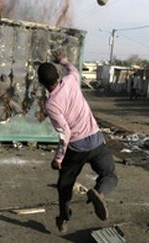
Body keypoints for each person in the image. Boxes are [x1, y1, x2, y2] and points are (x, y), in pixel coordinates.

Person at [37, 52, 118, 233]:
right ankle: (100, 193)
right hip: (96, 140)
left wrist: (58, 158)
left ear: (41, 83)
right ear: (58, 76)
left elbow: (64, 132)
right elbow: (73, 69)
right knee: (109, 174)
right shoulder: (71, 80)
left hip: (76, 148)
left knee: (65, 185)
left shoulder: (52, 104)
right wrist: (63, 60)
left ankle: (64, 218)